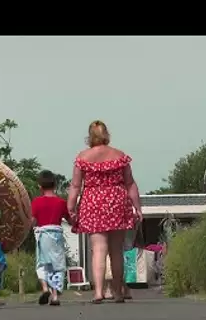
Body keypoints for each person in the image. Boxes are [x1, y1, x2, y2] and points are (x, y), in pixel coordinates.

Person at [67, 120, 143, 304]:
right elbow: (130, 183)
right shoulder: (119, 155)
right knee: (116, 250)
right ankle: (117, 292)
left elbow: (76, 185)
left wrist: (71, 207)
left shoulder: (83, 157)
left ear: (89, 136)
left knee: (98, 249)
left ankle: (99, 292)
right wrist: (137, 207)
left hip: (93, 203)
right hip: (117, 201)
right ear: (107, 134)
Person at [31, 170, 71, 306]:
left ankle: (44, 288)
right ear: (55, 185)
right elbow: (69, 219)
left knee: (42, 264)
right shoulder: (60, 202)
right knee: (57, 265)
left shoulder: (36, 202)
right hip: (57, 234)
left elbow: (32, 220)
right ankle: (55, 296)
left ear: (39, 186)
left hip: (42, 235)